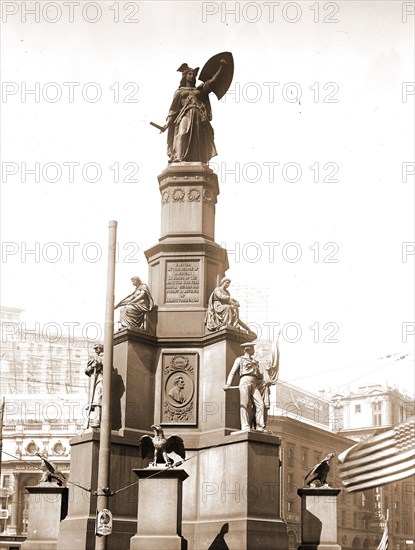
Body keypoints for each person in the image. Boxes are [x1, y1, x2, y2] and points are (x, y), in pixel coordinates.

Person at [162, 59, 227, 164]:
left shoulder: (199, 90)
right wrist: (167, 124)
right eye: (189, 74)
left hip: (198, 115)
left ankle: (198, 159)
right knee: (182, 133)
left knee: (198, 139)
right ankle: (178, 156)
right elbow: (173, 110)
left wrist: (222, 67)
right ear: (185, 76)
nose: (192, 76)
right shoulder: (180, 92)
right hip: (185, 114)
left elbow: (213, 81)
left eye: (193, 75)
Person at [223, 342, 270, 433]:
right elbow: (232, 373)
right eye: (253, 348)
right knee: (244, 404)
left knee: (260, 404)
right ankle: (245, 426)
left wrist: (266, 370)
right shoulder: (240, 360)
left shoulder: (255, 362)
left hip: (254, 383)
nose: (254, 350)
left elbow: (259, 376)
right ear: (248, 349)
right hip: (244, 381)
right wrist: (228, 384)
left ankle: (260, 426)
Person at [85, 343, 104, 428]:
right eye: (95, 349)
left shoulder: (106, 358)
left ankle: (97, 420)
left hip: (101, 380)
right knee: (95, 401)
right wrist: (93, 367)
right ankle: (94, 420)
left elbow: (111, 369)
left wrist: (101, 365)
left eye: (98, 348)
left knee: (98, 400)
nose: (96, 350)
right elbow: (86, 370)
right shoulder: (94, 359)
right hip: (95, 380)